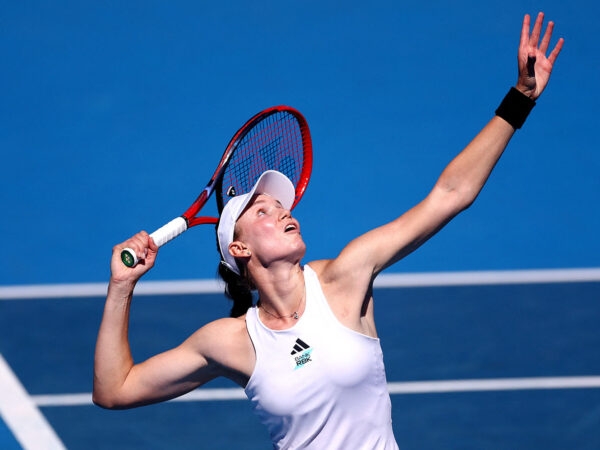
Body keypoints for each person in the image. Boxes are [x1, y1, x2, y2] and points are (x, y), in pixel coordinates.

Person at [93, 12, 563, 449]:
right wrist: (121, 287)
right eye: (263, 211)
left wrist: (518, 99)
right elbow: (115, 390)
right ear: (238, 247)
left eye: (282, 204)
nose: (283, 212)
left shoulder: (346, 277)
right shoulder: (230, 341)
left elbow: (449, 195)